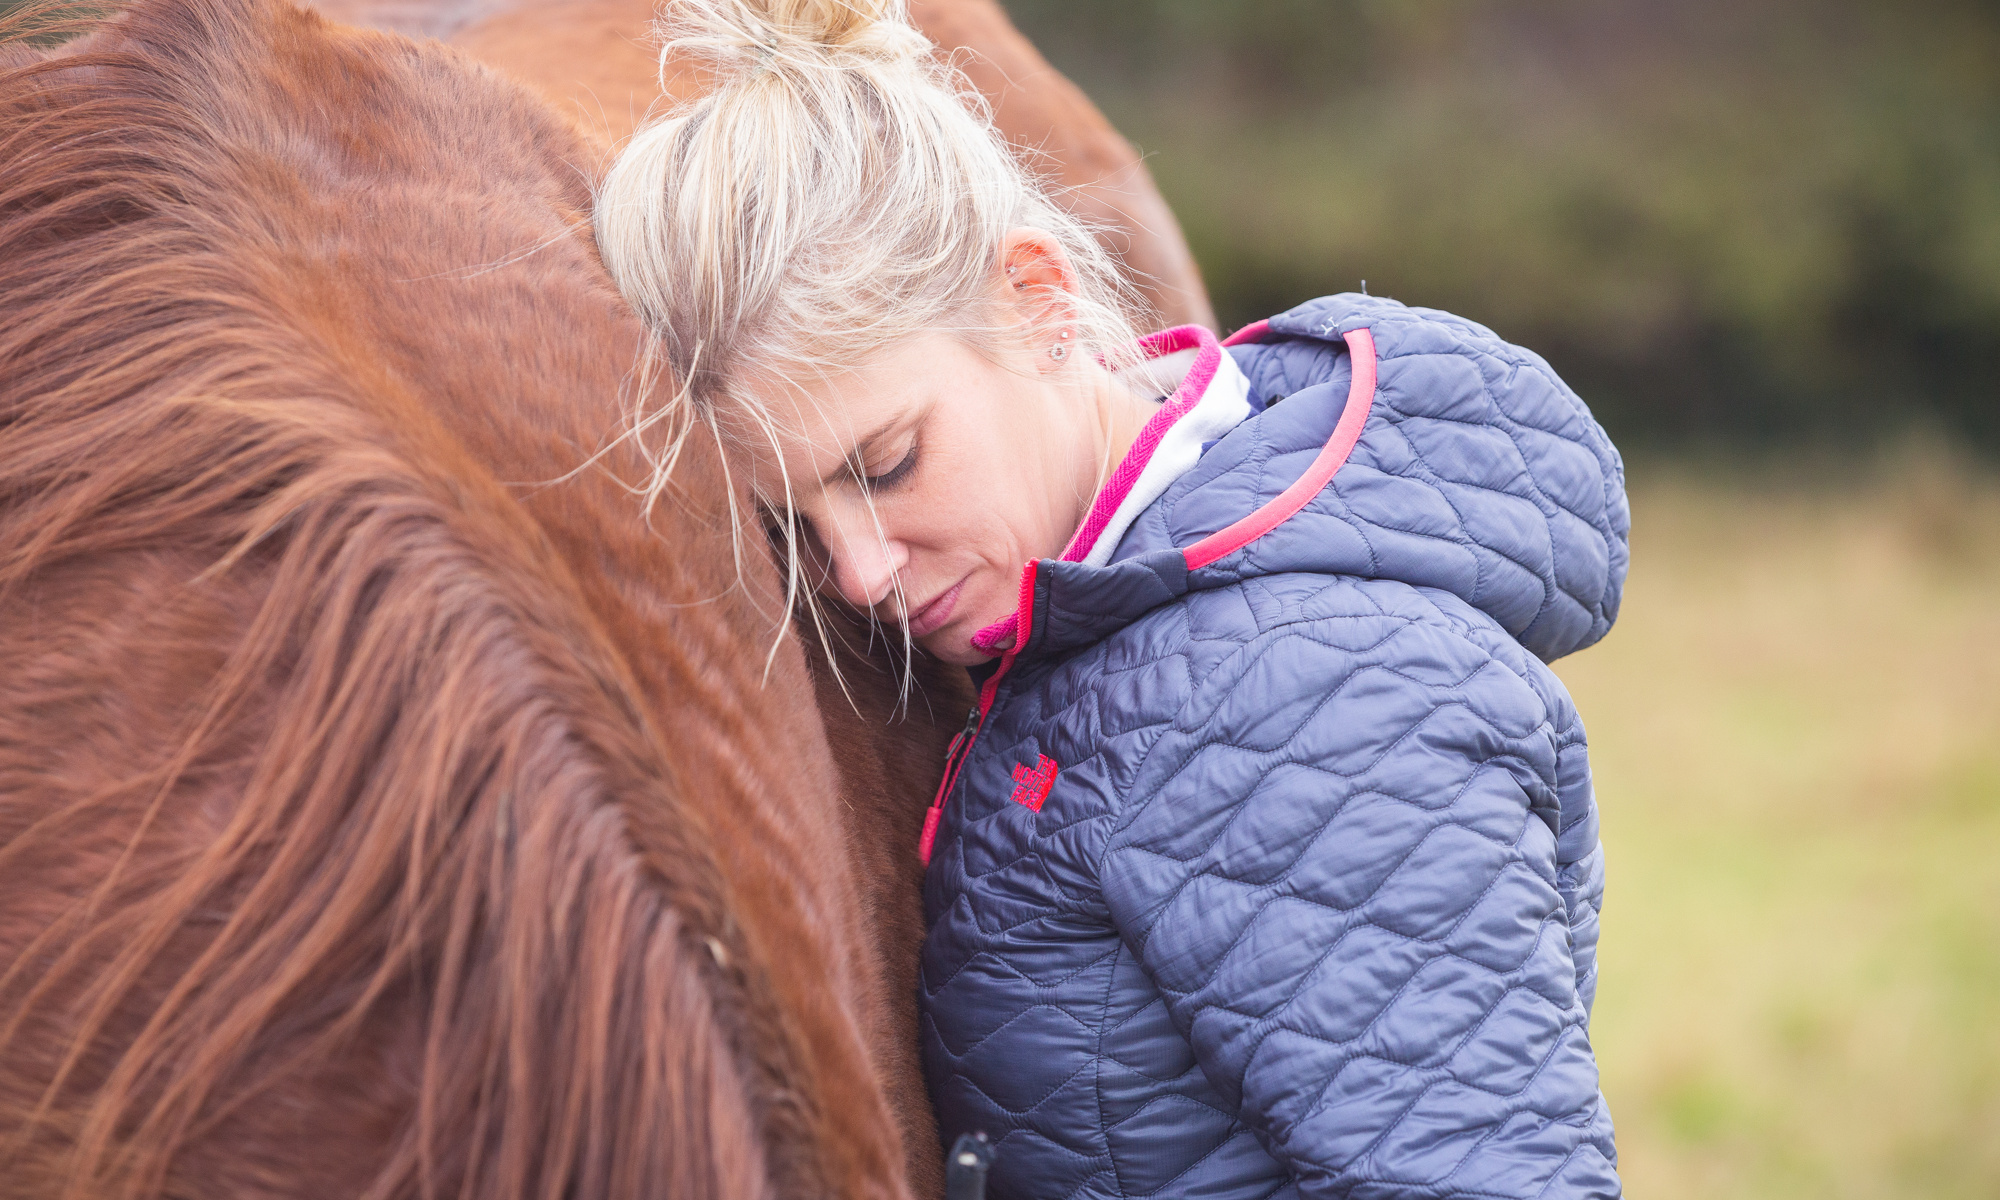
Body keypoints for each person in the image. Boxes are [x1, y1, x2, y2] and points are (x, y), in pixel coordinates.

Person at [593, 1, 1630, 1196]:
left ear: (1037, 304)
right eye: (798, 523)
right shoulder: (1105, 628)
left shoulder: (1297, 692)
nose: (860, 575)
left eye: (883, 467)